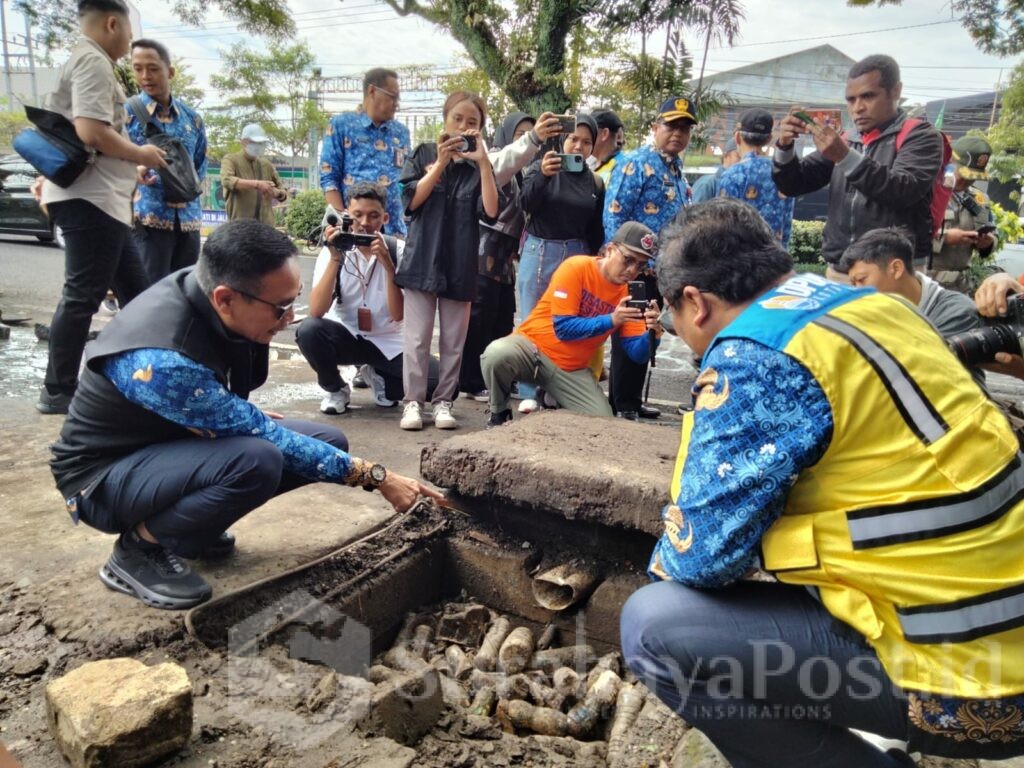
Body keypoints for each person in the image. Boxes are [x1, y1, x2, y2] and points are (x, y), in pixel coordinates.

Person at [620, 197, 1024, 767]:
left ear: (695, 302)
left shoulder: (757, 353)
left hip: (970, 682)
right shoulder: (872, 307)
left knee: (653, 626)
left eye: (675, 319)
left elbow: (699, 560)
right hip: (1001, 625)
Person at [49, 219, 441, 610]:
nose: (290, 318)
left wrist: (224, 410)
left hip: (164, 444)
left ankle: (191, 529)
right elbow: (266, 438)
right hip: (100, 478)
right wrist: (378, 477)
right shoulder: (164, 361)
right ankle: (138, 550)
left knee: (328, 441)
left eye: (294, 301)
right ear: (225, 298)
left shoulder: (210, 291)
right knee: (258, 457)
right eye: (280, 308)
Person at [36, 0, 169, 415]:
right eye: (128, 33)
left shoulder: (86, 60)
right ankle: (59, 390)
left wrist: (131, 167)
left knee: (140, 297)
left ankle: (141, 377)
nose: (128, 43)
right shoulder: (91, 61)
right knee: (84, 296)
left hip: (103, 202)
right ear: (113, 23)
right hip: (91, 201)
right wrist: (141, 154)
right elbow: (92, 131)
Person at [773, 54, 945, 279]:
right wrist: (784, 146)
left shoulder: (921, 136)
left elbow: (902, 190)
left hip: (893, 273)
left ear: (896, 91)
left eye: (868, 96)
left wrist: (844, 157)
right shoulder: (847, 138)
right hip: (842, 270)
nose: (857, 108)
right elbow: (794, 183)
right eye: (851, 99)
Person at [480, 222, 661, 427]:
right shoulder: (577, 267)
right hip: (532, 349)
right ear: (610, 250)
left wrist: (653, 334)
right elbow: (564, 329)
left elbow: (636, 354)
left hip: (570, 368)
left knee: (603, 423)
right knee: (495, 354)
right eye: (628, 259)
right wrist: (612, 319)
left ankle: (550, 397)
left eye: (641, 265)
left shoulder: (630, 294)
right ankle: (499, 412)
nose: (632, 270)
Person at [394, 90, 499, 431]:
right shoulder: (424, 153)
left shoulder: (479, 164)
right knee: (417, 339)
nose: (464, 127)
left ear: (481, 129)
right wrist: (439, 163)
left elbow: (492, 209)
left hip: (460, 262)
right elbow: (411, 202)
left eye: (473, 123)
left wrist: (483, 162)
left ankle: (443, 402)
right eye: (458, 119)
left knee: (453, 341)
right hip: (422, 259)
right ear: (445, 118)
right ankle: (413, 402)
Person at [295, 182, 439, 414]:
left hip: (389, 341)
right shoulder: (334, 250)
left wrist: (388, 266)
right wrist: (334, 258)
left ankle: (377, 376)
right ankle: (336, 389)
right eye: (357, 215)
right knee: (309, 331)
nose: (364, 223)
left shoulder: (398, 250)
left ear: (385, 218)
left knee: (437, 385)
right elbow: (316, 311)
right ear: (347, 218)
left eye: (373, 216)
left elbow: (398, 315)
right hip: (347, 335)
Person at [604, 96, 698, 421]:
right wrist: (624, 266)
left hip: (666, 272)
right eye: (671, 126)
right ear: (655, 127)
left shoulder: (676, 168)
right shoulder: (635, 163)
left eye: (684, 128)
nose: (677, 133)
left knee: (650, 333)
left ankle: (633, 398)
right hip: (638, 270)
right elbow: (614, 216)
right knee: (631, 332)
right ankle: (623, 403)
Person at [458, 111, 562, 402]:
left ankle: (497, 376)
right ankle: (471, 380)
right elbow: (505, 164)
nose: (527, 140)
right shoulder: (491, 161)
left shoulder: (528, 173)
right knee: (478, 319)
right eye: (520, 134)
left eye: (530, 134)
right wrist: (532, 139)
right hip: (482, 252)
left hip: (505, 259)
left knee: (502, 320)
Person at [515, 113, 605, 414]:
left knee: (566, 326)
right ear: (562, 139)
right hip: (539, 251)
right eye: (573, 139)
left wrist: (595, 266)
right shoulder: (542, 166)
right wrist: (542, 175)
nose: (578, 146)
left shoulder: (595, 182)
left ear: (593, 147)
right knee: (531, 322)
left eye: (586, 142)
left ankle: (555, 390)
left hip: (577, 256)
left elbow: (595, 228)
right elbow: (525, 204)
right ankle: (528, 390)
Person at [839, 227, 985, 384]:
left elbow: (913, 372)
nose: (857, 292)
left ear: (896, 269)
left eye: (861, 280)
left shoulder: (955, 312)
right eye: (853, 284)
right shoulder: (873, 310)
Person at [126, 38, 207, 284]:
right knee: (148, 295)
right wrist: (134, 171)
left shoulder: (192, 120)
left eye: (153, 68)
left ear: (170, 71)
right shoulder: (126, 114)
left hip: (189, 221)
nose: (145, 76)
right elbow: (110, 161)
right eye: (138, 68)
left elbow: (199, 165)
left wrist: (186, 189)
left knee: (186, 292)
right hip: (147, 219)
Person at [320, 67, 411, 239]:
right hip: (355, 231)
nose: (397, 103)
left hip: (393, 232)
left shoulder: (401, 133)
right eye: (393, 96)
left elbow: (406, 181)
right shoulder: (341, 125)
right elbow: (328, 178)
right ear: (372, 91)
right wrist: (344, 223)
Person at [718, 109, 795, 247]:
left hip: (741, 263)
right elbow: (787, 224)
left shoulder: (732, 175)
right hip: (776, 260)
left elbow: (723, 228)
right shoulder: (784, 174)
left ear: (737, 137)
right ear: (769, 139)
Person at [930, 135, 995, 287]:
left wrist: (987, 243)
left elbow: (993, 232)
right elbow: (906, 233)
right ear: (950, 163)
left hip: (961, 285)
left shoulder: (980, 199)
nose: (967, 181)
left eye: (973, 177)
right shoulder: (929, 192)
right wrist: (943, 237)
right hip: (927, 282)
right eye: (964, 175)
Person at [220, 123, 288, 225]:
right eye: (254, 142)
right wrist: (257, 184)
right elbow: (227, 180)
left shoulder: (266, 164)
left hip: (265, 228)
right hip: (240, 229)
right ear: (243, 142)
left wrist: (276, 193)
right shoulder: (231, 159)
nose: (258, 146)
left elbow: (284, 192)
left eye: (261, 143)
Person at [690, 138, 739, 204]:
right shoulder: (707, 184)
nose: (743, 161)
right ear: (726, 156)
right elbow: (695, 213)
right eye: (738, 156)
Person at [589, 108, 625, 184]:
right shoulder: (589, 163)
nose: (586, 136)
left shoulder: (621, 167)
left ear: (604, 134)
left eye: (590, 131)